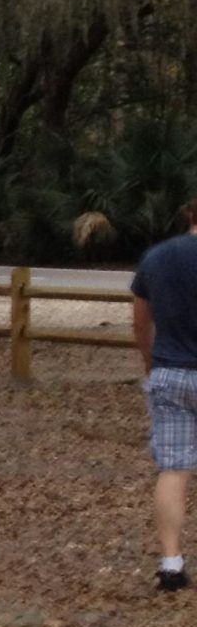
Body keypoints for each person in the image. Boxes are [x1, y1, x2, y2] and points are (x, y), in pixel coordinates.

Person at [131, 197, 197, 592]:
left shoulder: (157, 257)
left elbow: (140, 319)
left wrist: (149, 361)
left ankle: (171, 564)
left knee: (174, 468)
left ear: (190, 213)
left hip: (170, 371)